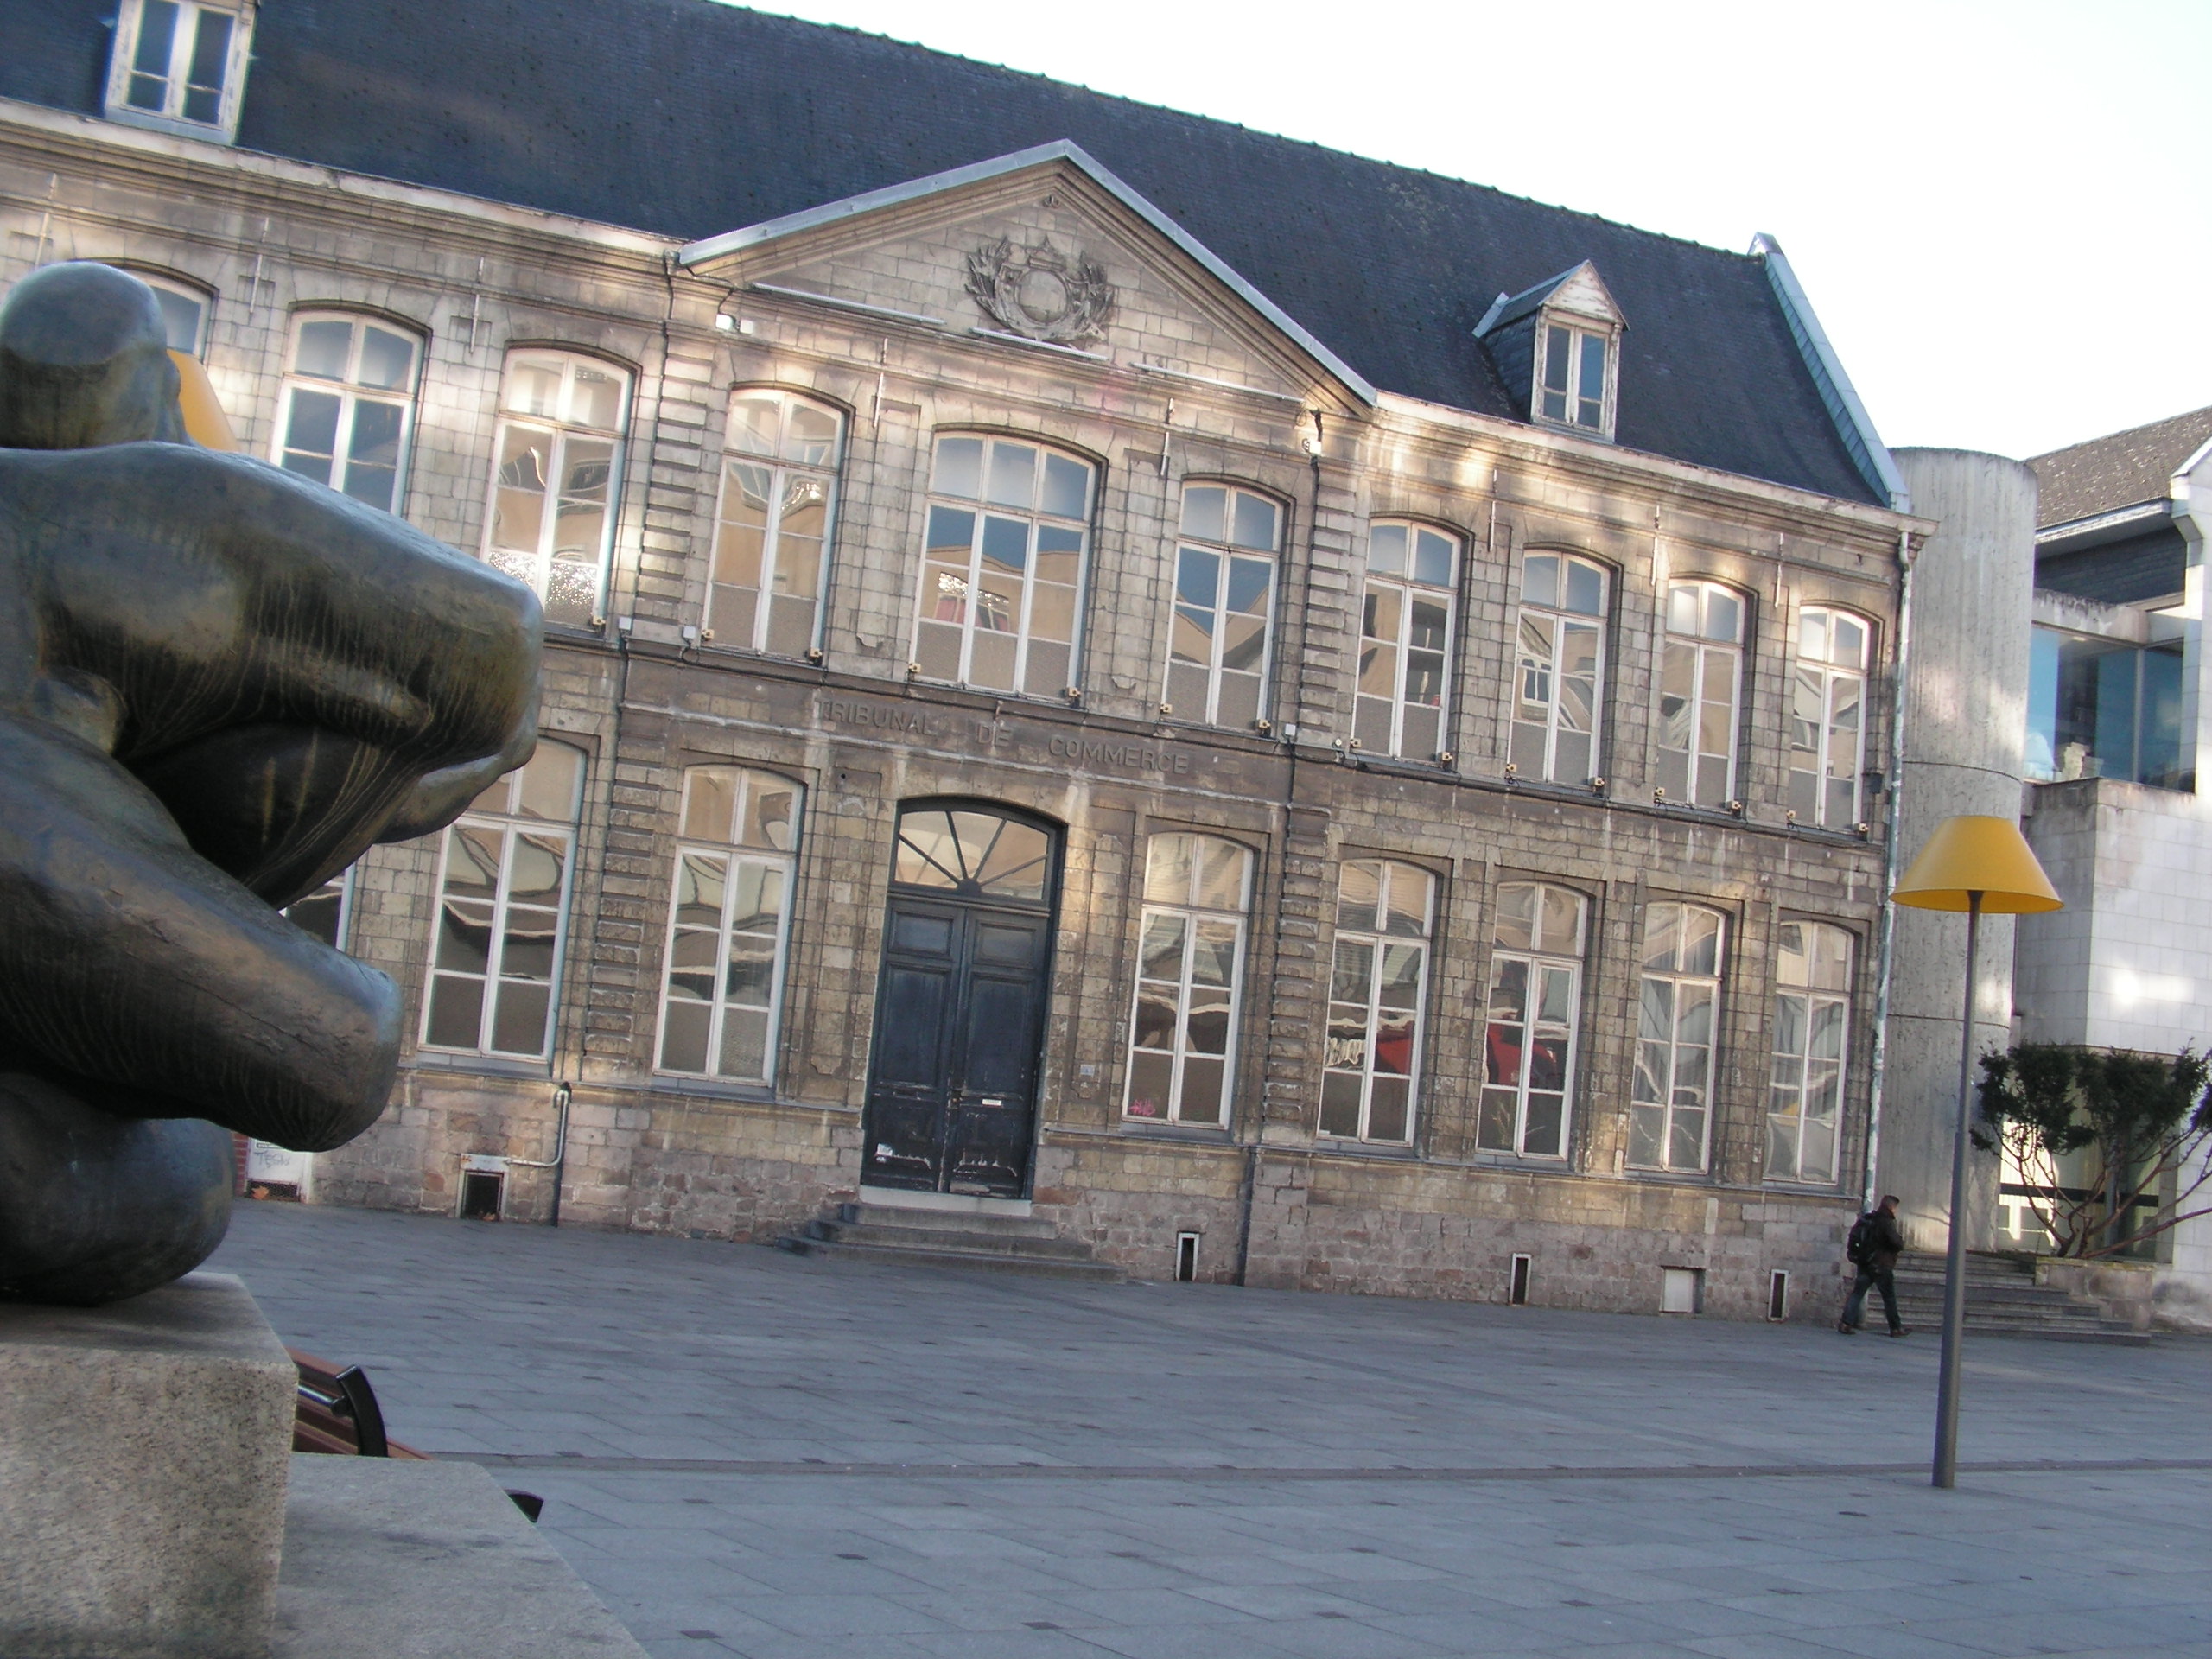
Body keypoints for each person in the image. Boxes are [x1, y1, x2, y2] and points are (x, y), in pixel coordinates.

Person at [1839, 1194, 1910, 1336]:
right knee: (1889, 1297)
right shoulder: (1886, 1222)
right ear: (1891, 1207)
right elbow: (1896, 1243)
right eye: (1896, 1208)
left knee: (1857, 1293)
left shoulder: (1869, 1220)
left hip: (1865, 1263)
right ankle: (1895, 1328)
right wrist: (1900, 1243)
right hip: (1882, 1265)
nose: (1896, 1211)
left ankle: (1846, 1323)